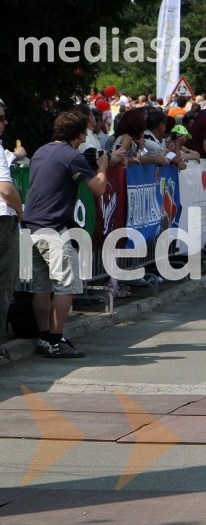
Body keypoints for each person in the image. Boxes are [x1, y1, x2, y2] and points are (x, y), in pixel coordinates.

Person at [23, 112, 118, 358]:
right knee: (66, 286)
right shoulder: (71, 156)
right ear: (80, 134)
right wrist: (102, 167)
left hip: (32, 226)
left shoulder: (42, 151)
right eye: (85, 132)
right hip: (54, 229)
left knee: (41, 287)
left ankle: (45, 337)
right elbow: (97, 188)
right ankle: (56, 341)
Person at [0, 98, 25, 339]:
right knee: (3, 283)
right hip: (2, 221)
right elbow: (6, 190)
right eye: (0, 118)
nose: (5, 123)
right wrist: (19, 211)